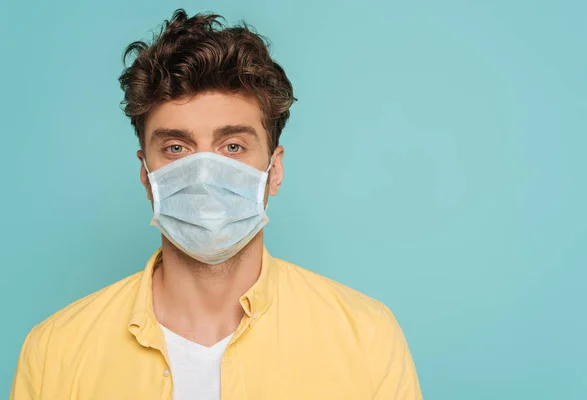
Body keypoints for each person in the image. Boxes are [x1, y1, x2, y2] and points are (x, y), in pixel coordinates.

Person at [10, 9, 422, 400]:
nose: (204, 172)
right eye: (176, 147)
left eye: (233, 146)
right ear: (146, 175)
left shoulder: (365, 336)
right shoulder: (55, 350)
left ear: (274, 170)